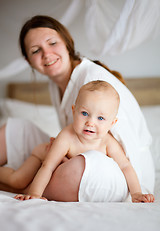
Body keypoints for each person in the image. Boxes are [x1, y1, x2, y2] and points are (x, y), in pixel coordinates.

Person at [0, 15, 155, 201]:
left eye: (52, 43)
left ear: (67, 43)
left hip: (119, 175)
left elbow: (122, 153)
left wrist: (136, 193)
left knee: (81, 166)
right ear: (28, 60)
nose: (46, 54)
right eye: (35, 50)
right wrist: (60, 151)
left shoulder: (94, 83)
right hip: (73, 154)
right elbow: (73, 137)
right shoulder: (55, 84)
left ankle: (22, 186)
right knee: (17, 129)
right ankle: (23, 185)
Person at [0, 81, 154, 202]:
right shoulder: (67, 136)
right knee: (18, 181)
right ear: (74, 111)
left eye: (100, 118)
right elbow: (48, 166)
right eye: (85, 113)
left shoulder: (108, 142)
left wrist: (136, 193)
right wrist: (35, 195)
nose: (90, 122)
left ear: (112, 123)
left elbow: (126, 166)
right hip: (42, 157)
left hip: (55, 171)